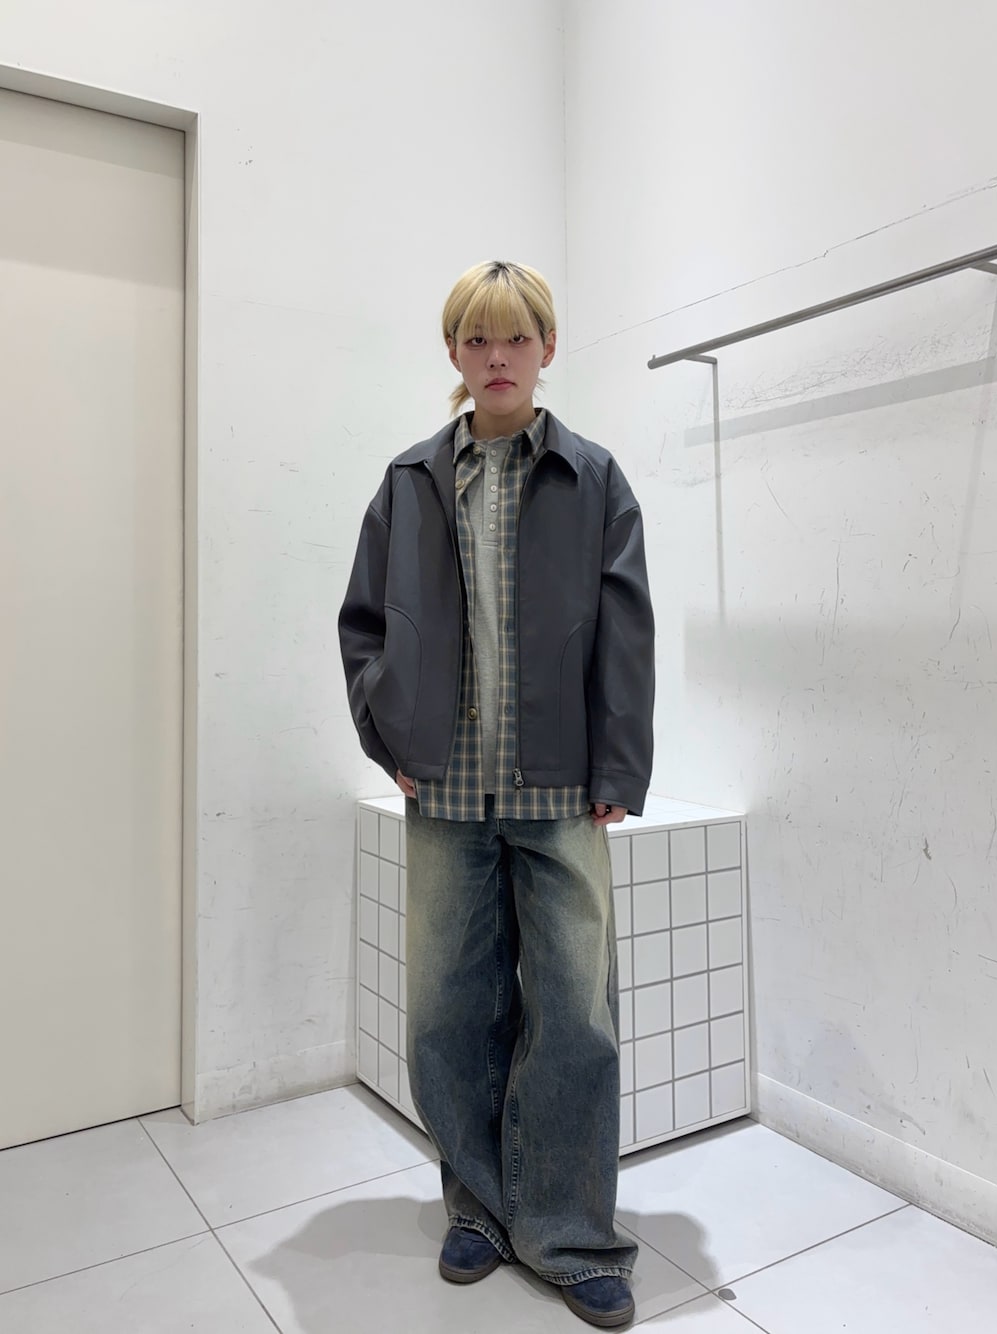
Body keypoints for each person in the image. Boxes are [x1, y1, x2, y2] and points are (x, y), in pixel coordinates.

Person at [339, 260, 654, 1328]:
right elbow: (363, 625)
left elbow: (626, 632)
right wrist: (387, 734)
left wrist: (619, 767)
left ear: (547, 348)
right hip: (446, 790)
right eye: (477, 338)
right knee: (449, 1011)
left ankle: (568, 1231)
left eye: (517, 337)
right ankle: (477, 1203)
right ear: (455, 353)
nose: (498, 356)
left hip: (562, 788)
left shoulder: (593, 476)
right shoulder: (410, 480)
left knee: (574, 1015)